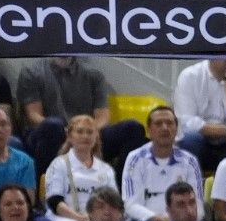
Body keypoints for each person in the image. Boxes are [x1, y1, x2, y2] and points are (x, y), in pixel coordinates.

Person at [16, 57, 145, 176]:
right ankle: (46, 190)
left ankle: (118, 189)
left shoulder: (93, 74)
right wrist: (69, 132)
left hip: (86, 134)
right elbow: (33, 115)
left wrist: (86, 132)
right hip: (50, 135)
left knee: (133, 128)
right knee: (53, 125)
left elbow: (103, 117)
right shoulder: (31, 72)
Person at [121, 106, 203, 221]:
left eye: (170, 123)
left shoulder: (190, 161)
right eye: (158, 124)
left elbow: (199, 204)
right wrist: (160, 219)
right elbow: (130, 205)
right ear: (149, 131)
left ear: (177, 129)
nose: (165, 128)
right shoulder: (135, 158)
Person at [42, 115, 119, 221]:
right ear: (70, 136)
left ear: (96, 137)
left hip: (98, 219)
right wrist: (79, 218)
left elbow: (114, 202)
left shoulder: (106, 169)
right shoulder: (59, 164)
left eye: (90, 132)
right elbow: (54, 201)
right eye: (80, 131)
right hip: (65, 218)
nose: (85, 136)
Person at [174, 59, 226, 172]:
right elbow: (187, 122)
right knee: (189, 138)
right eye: (225, 55)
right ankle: (189, 184)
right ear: (211, 57)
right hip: (201, 138)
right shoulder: (190, 75)